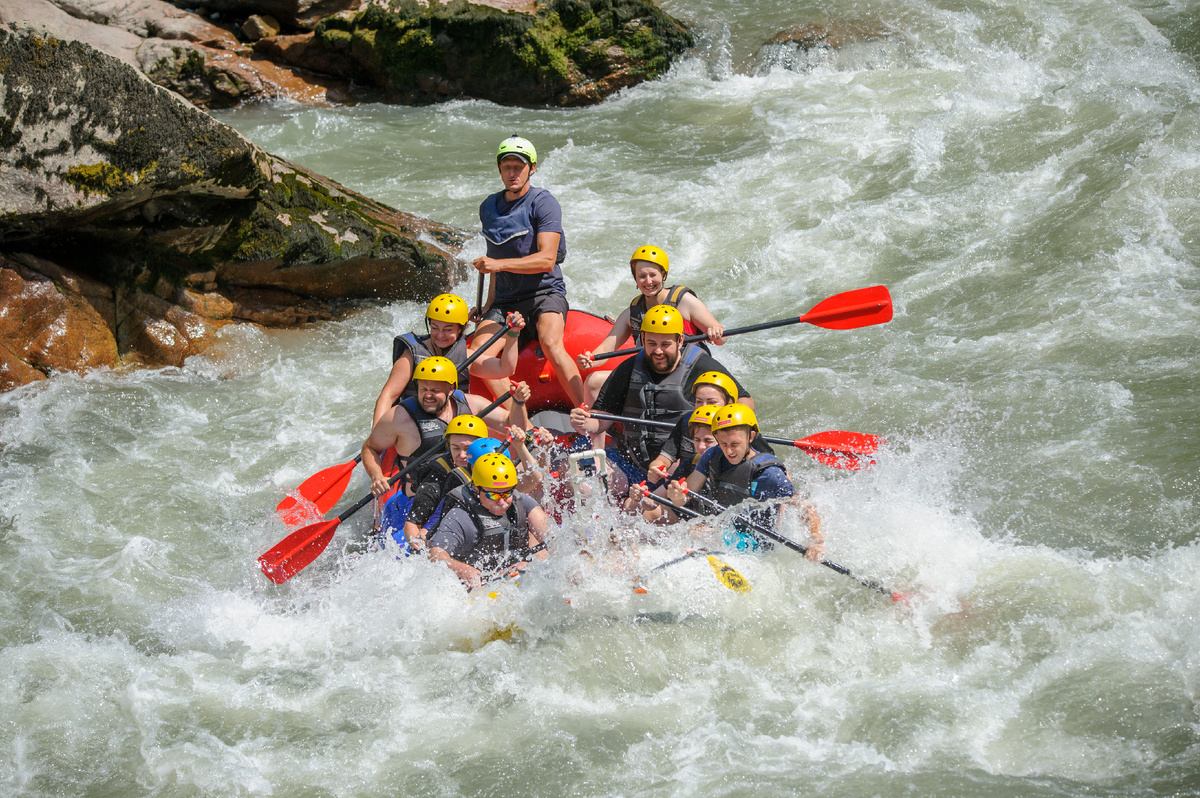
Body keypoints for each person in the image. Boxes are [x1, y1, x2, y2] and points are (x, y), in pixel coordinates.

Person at [568, 304, 753, 496]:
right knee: (586, 483)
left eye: (665, 344)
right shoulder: (629, 368)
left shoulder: (701, 366)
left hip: (677, 469)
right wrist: (583, 422)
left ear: (680, 340)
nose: (658, 351)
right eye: (651, 344)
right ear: (643, 340)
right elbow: (600, 421)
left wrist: (724, 423)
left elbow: (745, 400)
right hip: (631, 461)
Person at [471, 135, 584, 407]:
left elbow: (547, 260)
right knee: (476, 357)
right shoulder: (488, 207)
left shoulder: (543, 203)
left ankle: (585, 413)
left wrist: (497, 264)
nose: (512, 172)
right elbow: (496, 258)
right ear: (499, 169)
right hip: (506, 300)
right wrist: (487, 305)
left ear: (531, 168)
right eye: (507, 166)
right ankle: (516, 417)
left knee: (551, 343)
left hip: (544, 293)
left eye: (518, 166)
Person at [363, 356, 515, 546]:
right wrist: (377, 476)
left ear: (451, 389)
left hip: (472, 498)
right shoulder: (399, 417)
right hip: (418, 499)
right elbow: (370, 447)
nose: (428, 395)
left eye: (435, 390)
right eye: (423, 389)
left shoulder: (470, 405)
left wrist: (519, 403)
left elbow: (511, 422)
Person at [666, 403, 823, 560]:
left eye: (735, 444)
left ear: (751, 437)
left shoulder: (769, 473)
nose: (729, 451)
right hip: (724, 530)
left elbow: (804, 507)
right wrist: (677, 495)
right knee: (689, 530)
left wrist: (817, 541)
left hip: (759, 543)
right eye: (723, 443)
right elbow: (684, 497)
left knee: (701, 533)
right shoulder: (711, 456)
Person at [576, 245, 727, 405]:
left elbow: (721, 339)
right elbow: (607, 348)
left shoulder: (685, 301)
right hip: (650, 373)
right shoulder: (631, 314)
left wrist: (716, 332)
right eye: (641, 276)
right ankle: (598, 429)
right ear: (635, 278)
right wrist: (590, 359)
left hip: (687, 371)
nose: (648, 281)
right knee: (593, 382)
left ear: (664, 275)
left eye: (653, 275)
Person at [372, 295, 525, 424]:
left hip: (453, 422)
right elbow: (388, 396)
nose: (440, 335)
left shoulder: (464, 355)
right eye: (435, 327)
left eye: (448, 329)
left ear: (461, 329)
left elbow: (505, 369)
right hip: (416, 421)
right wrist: (377, 437)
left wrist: (512, 335)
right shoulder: (412, 355)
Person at [428, 453, 552, 587]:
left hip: (515, 577)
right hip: (477, 586)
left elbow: (552, 536)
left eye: (507, 493)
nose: (501, 501)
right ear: (476, 488)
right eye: (492, 495)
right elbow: (435, 554)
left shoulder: (523, 502)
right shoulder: (460, 516)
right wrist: (462, 569)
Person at [644, 370, 772, 485]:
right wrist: (655, 467)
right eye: (699, 401)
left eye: (712, 402)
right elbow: (665, 458)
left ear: (729, 404)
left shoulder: (741, 429)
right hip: (689, 479)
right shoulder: (687, 421)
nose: (703, 407)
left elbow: (770, 464)